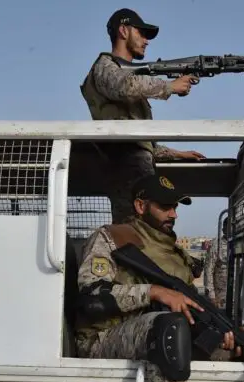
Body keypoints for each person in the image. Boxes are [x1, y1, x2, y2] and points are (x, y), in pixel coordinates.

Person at [74, 174, 244, 382]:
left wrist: (220, 336)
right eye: (165, 206)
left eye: (176, 207)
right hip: (104, 338)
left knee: (233, 348)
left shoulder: (172, 251)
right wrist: (153, 291)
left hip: (154, 335)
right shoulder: (111, 237)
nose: (174, 214)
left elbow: (190, 308)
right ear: (141, 206)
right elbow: (91, 298)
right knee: (168, 327)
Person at [80, 8, 205, 224]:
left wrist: (178, 154)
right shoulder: (104, 67)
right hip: (124, 166)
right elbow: (125, 86)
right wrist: (169, 86)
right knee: (132, 229)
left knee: (145, 230)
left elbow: (142, 144)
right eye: (141, 33)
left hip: (135, 167)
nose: (146, 41)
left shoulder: (123, 74)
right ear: (123, 31)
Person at [203, 217, 229, 309]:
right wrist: (211, 295)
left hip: (237, 296)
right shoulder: (216, 245)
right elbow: (208, 269)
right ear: (223, 229)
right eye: (229, 227)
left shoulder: (240, 243)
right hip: (220, 296)